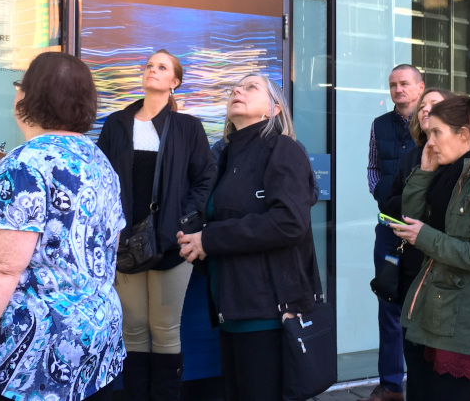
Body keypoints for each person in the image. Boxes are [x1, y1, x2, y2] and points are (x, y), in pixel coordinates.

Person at [0, 51, 125, 401]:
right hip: (91, 346)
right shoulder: (96, 160)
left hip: (17, 363)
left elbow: (1, 268)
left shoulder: (24, 165)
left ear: (27, 97)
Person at [177, 74, 320, 401]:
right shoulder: (226, 156)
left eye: (251, 87)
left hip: (267, 312)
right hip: (232, 307)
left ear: (274, 110)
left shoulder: (283, 149)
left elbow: (289, 222)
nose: (237, 90)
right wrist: (196, 243)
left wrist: (208, 239)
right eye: (234, 88)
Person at [96, 50, 215, 400]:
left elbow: (204, 179)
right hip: (125, 243)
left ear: (174, 82)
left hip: (171, 242)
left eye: (161, 67)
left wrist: (184, 220)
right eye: (149, 65)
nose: (152, 70)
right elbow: (101, 178)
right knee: (132, 330)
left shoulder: (187, 127)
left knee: (164, 329)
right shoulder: (116, 124)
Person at [390, 85, 470, 401]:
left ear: (463, 134)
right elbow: (411, 215)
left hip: (461, 316)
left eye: (436, 133)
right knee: (422, 391)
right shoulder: (447, 170)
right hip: (430, 306)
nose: (429, 141)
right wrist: (424, 171)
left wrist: (427, 238)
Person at [366, 64, 425, 401]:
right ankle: (390, 386)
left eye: (404, 84)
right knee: (388, 304)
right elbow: (373, 168)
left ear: (419, 87)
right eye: (393, 85)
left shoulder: (433, 123)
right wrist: (382, 194)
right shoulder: (380, 125)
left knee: (419, 309)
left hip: (423, 233)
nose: (398, 90)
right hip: (389, 230)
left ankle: (421, 383)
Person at [380, 87, 455, 306]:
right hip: (412, 262)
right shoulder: (411, 156)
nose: (426, 109)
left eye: (434, 104)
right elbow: (392, 206)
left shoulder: (465, 159)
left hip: (446, 266)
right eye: (422, 106)